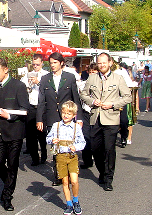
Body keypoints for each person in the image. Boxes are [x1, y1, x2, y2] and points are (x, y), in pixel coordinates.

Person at [0, 57, 30, 211]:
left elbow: (24, 109)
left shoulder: (19, 86)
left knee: (12, 165)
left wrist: (9, 116)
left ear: (6, 70)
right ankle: (9, 183)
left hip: (14, 132)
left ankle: (7, 196)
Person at [80, 53, 132, 191]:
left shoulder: (118, 78)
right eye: (99, 63)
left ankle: (109, 178)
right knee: (95, 149)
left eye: (104, 63)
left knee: (109, 149)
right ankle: (102, 171)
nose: (102, 65)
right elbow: (83, 94)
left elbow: (127, 97)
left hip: (111, 118)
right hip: (95, 117)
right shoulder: (92, 78)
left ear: (110, 63)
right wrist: (92, 101)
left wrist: (113, 104)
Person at [36, 52, 83, 186]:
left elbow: (76, 99)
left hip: (67, 117)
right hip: (52, 118)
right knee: (56, 146)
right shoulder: (45, 79)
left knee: (68, 145)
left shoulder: (69, 78)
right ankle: (59, 174)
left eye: (55, 63)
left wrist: (78, 118)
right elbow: (41, 101)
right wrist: (39, 119)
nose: (52, 65)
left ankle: (69, 169)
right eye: (51, 63)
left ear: (61, 63)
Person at [46, 101, 86, 215]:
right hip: (60, 156)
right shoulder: (56, 125)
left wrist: (76, 147)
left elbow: (82, 142)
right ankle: (68, 204)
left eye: (69, 113)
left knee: (74, 181)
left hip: (72, 156)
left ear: (74, 115)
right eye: (64, 113)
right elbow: (48, 138)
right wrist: (52, 140)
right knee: (65, 182)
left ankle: (76, 201)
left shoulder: (76, 127)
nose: (66, 115)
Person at [20, 54, 48, 166]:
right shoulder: (27, 75)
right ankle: (34, 158)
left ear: (42, 64)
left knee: (42, 134)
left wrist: (39, 83)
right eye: (34, 64)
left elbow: (49, 90)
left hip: (42, 107)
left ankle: (44, 154)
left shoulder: (46, 75)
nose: (35, 66)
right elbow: (21, 89)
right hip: (31, 107)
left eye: (38, 64)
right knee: (31, 135)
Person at [78, 63, 98, 169]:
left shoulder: (101, 84)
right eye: (90, 72)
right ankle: (87, 160)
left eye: (94, 72)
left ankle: (97, 156)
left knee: (95, 137)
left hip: (96, 112)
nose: (91, 74)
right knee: (85, 136)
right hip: (86, 112)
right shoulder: (83, 84)